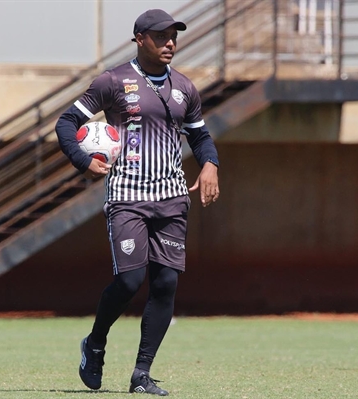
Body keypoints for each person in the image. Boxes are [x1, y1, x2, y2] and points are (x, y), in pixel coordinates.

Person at [55, 9, 220, 396]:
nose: (170, 43)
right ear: (139, 39)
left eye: (173, 36)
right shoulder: (112, 81)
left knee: (165, 285)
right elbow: (65, 122)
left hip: (172, 199)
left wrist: (211, 163)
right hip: (128, 198)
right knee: (130, 280)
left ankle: (141, 374)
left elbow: (200, 137)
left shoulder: (184, 88)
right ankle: (95, 344)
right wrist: (84, 160)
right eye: (161, 36)